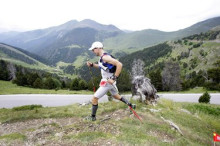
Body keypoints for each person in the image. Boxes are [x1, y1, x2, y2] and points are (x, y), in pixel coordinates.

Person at [86, 41, 136, 121]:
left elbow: (119, 64)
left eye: (93, 49)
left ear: (98, 48)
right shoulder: (103, 57)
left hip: (108, 82)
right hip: (109, 81)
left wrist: (114, 78)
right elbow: (101, 66)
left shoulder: (105, 57)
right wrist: (92, 65)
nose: (92, 51)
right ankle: (131, 105)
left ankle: (92, 117)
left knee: (94, 98)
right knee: (116, 96)